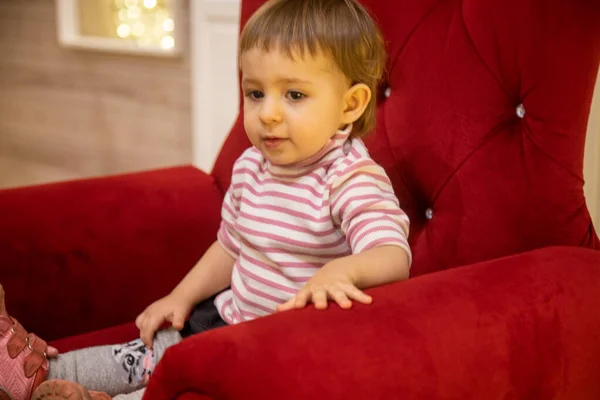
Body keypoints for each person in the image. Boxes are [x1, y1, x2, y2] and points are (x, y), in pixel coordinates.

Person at [1, 0, 411, 399]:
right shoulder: (252, 165)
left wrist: (345, 272)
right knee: (142, 352)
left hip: (281, 349)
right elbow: (230, 245)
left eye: (295, 95)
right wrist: (180, 296)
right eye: (255, 93)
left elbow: (392, 254)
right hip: (223, 320)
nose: (267, 113)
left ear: (349, 105)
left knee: (174, 381)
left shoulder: (349, 178)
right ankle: (43, 375)